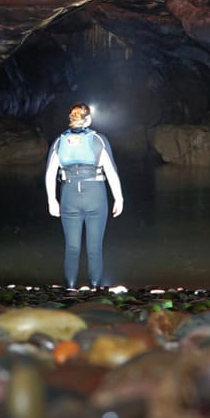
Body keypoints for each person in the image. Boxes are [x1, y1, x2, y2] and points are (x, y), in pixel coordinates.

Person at [44, 102, 123, 289]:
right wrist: (119, 198)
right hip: (95, 194)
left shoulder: (59, 141)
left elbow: (50, 173)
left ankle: (70, 288)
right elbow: (111, 171)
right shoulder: (98, 140)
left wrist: (51, 200)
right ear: (87, 119)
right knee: (94, 248)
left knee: (72, 248)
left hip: (69, 195)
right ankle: (94, 288)